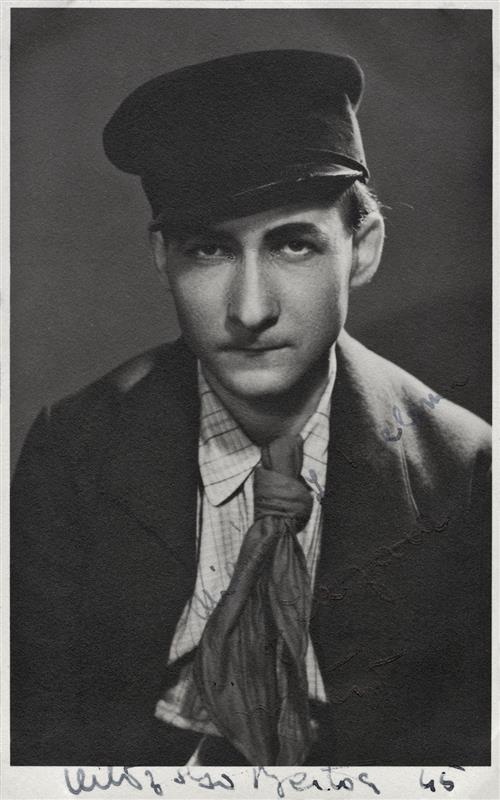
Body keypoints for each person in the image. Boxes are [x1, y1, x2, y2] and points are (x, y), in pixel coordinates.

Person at [11, 49, 491, 767]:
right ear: (162, 258)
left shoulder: (465, 468)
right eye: (209, 251)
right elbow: (35, 732)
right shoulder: (77, 449)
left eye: (294, 245)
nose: (250, 309)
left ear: (362, 249)